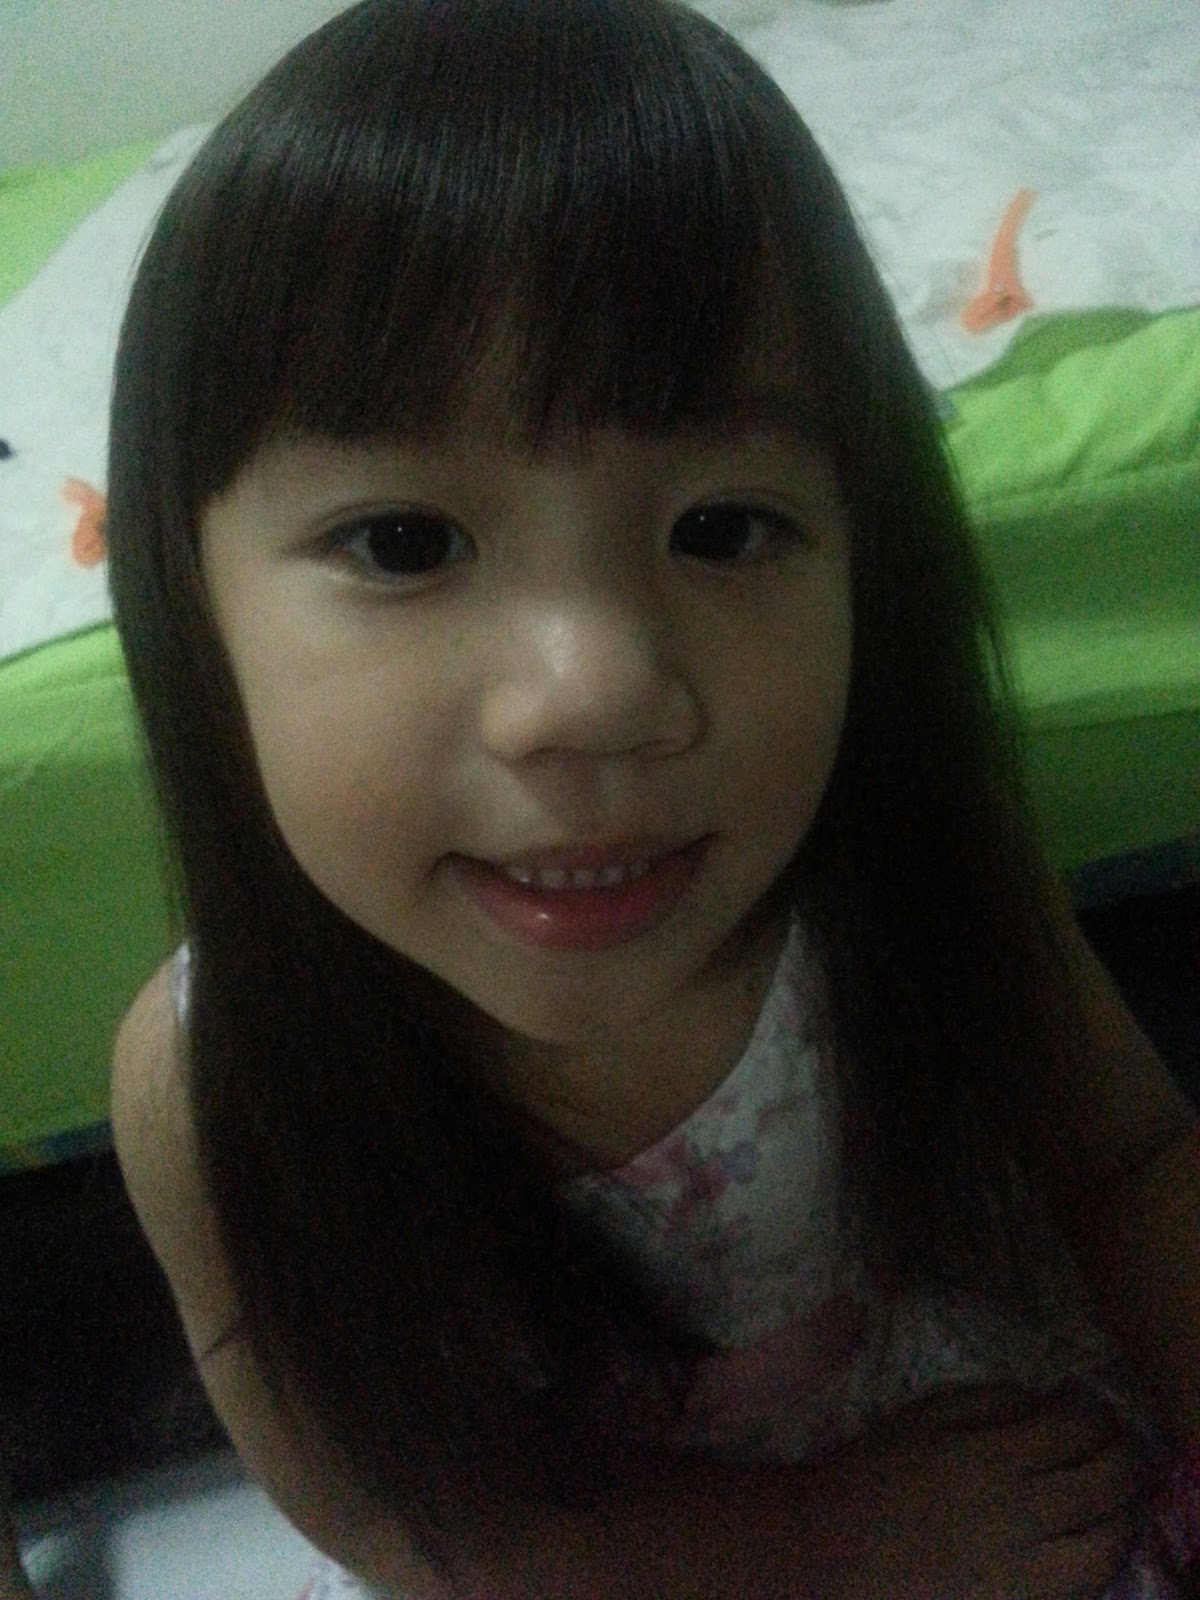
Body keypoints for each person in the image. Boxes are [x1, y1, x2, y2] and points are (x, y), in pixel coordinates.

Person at [104, 2, 1200, 1595]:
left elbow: (1133, 1167)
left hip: (1001, 1460)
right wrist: (821, 1544)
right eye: (406, 543)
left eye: (725, 528)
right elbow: (395, 1517)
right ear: (189, 602)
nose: (596, 692)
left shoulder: (892, 859)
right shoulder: (207, 1082)